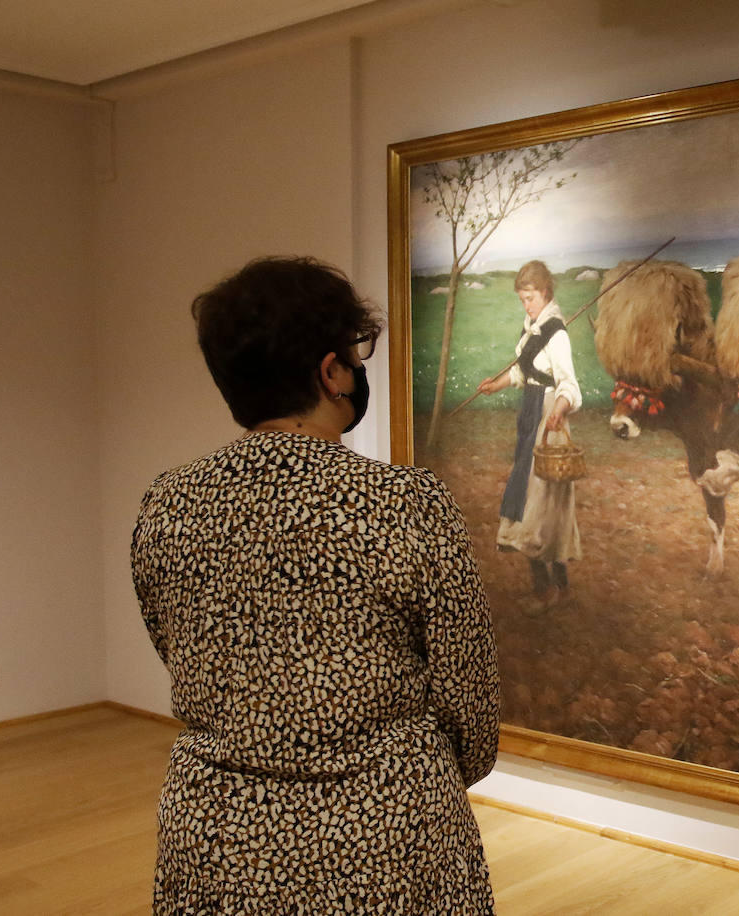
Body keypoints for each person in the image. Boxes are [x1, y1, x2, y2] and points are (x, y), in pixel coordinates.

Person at [131, 256, 499, 914]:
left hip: (216, 841)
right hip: (388, 842)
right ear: (331, 372)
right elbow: (468, 707)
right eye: (357, 355)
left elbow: (174, 643)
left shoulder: (169, 502)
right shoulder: (407, 503)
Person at [476, 260, 582, 609]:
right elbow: (525, 373)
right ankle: (556, 587)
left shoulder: (556, 332)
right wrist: (497, 385)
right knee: (532, 501)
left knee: (540, 507)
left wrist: (558, 411)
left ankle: (548, 590)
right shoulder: (533, 328)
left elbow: (569, 385)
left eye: (531, 297)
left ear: (546, 293)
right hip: (531, 413)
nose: (527, 304)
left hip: (549, 419)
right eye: (522, 299)